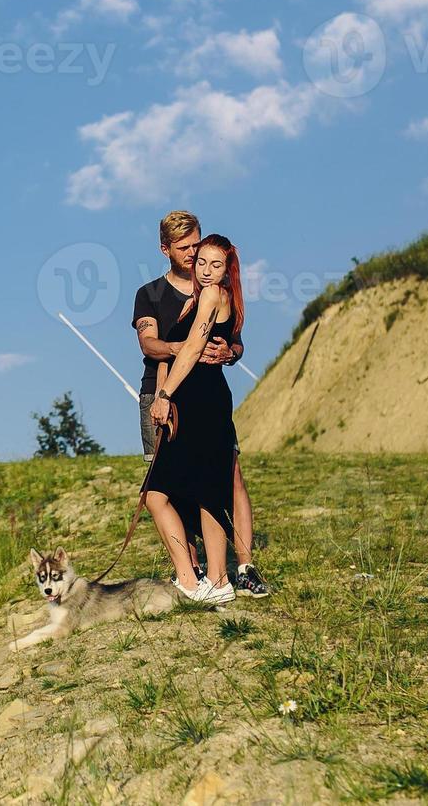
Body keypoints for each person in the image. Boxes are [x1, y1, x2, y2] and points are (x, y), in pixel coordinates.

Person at [132, 211, 269, 598]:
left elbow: (234, 340)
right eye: (186, 248)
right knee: (169, 489)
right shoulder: (151, 294)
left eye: (199, 245)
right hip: (163, 392)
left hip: (202, 393)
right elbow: (151, 345)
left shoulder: (210, 288)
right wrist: (180, 354)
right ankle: (196, 573)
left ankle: (237, 569)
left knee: (226, 478)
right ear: (165, 250)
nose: (195, 255)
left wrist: (230, 352)